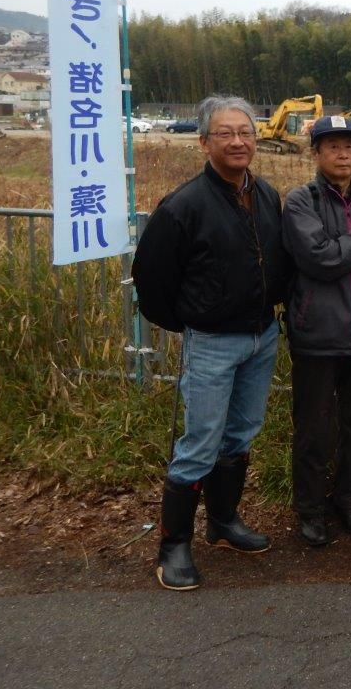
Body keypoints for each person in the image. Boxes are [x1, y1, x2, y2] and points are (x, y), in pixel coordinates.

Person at [132, 95, 291, 591]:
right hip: (213, 343)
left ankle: (224, 523)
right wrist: (192, 324)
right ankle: (173, 546)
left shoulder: (264, 193)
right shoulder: (183, 206)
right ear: (204, 142)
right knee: (199, 442)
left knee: (241, 433)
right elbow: (151, 279)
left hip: (261, 334)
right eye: (225, 133)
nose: (238, 141)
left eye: (245, 131)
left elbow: (275, 259)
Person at [282, 115, 351, 547]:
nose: (343, 153)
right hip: (318, 337)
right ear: (316, 153)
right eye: (332, 146)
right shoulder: (301, 201)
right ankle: (310, 509)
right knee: (313, 427)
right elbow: (319, 257)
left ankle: (349, 501)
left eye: (349, 145)